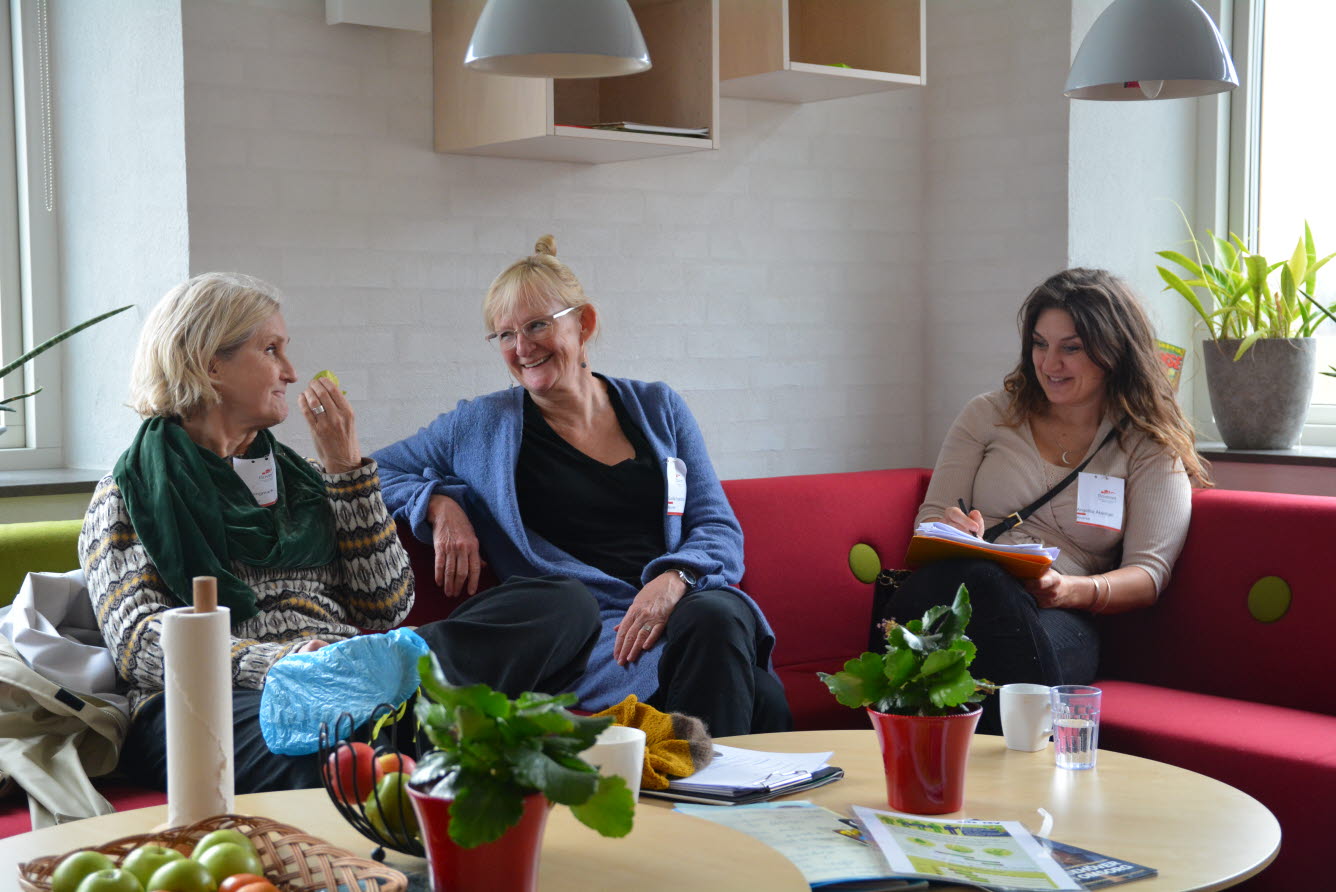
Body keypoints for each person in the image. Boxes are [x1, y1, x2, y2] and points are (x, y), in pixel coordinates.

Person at [80, 272, 599, 793]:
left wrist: (348, 472)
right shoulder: (129, 492)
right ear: (211, 364)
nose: (290, 371)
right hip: (215, 700)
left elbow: (387, 607)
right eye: (271, 349)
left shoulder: (307, 477)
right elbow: (138, 643)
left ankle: (419, 721)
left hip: (349, 682)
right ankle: (435, 727)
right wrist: (291, 664)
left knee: (565, 603)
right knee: (350, 762)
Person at [373, 236, 791, 737]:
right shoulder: (480, 426)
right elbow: (372, 473)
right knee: (760, 694)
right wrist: (438, 503)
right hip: (598, 636)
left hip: (686, 605)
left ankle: (700, 798)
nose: (522, 348)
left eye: (537, 325)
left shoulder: (659, 408)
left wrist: (674, 579)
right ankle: (720, 804)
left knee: (718, 616)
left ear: (584, 322)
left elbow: (716, 524)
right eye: (504, 335)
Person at [889, 268, 1210, 733]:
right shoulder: (988, 414)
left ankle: (928, 769)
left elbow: (1149, 575)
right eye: (1040, 344)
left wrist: (1070, 590)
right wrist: (952, 530)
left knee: (971, 646)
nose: (1049, 363)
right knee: (980, 581)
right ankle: (1028, 776)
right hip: (953, 595)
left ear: (1114, 350)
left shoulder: (1147, 444)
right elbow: (931, 519)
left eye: (1071, 348)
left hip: (1057, 616)